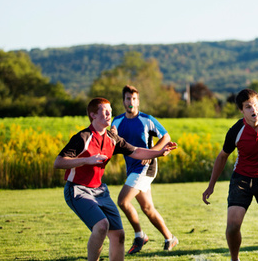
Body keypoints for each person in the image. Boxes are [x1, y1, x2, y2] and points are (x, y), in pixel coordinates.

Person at [54, 97, 177, 261]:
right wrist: (86, 160)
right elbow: (59, 162)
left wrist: (159, 153)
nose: (109, 114)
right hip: (78, 189)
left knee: (118, 235)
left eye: (110, 111)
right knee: (101, 226)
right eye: (105, 111)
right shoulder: (83, 137)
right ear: (93, 115)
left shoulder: (112, 138)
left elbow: (137, 151)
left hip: (100, 191)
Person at [202, 89, 258, 261]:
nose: (254, 110)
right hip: (242, 180)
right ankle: (234, 259)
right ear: (241, 111)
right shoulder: (236, 131)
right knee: (232, 227)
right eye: (248, 107)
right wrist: (211, 185)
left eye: (256, 105)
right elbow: (222, 156)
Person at [110, 85, 178, 254]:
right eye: (127, 98)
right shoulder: (117, 122)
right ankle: (170, 238)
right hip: (132, 168)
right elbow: (111, 139)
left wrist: (153, 152)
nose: (131, 102)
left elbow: (166, 136)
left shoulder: (147, 119)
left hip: (146, 167)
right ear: (123, 101)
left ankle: (140, 236)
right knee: (147, 208)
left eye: (134, 99)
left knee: (123, 201)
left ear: (138, 101)